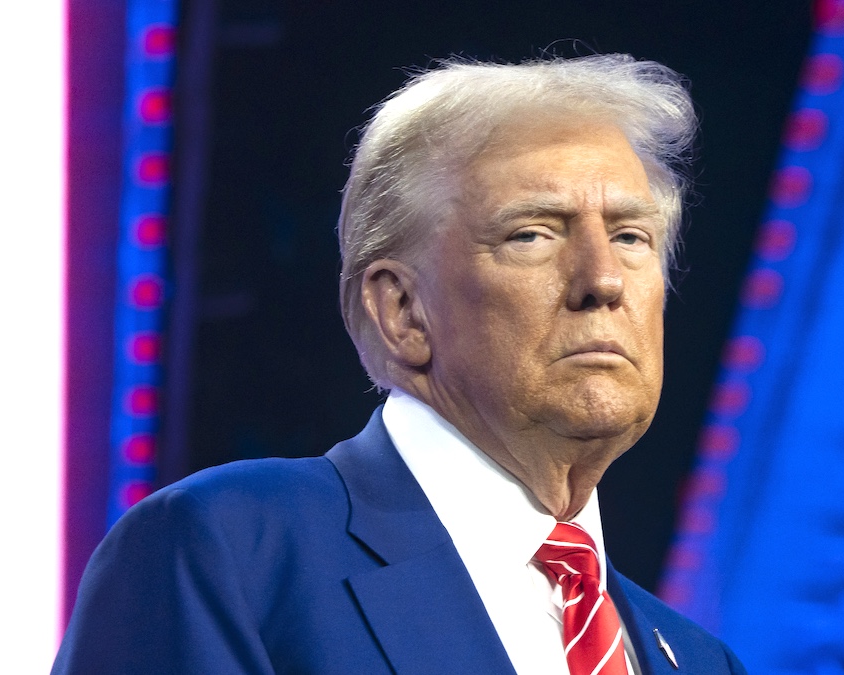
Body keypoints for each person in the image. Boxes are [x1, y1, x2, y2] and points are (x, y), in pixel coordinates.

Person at [53, 54, 747, 675]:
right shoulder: (228, 553)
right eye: (532, 233)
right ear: (403, 311)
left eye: (631, 236)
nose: (604, 279)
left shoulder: (700, 658)